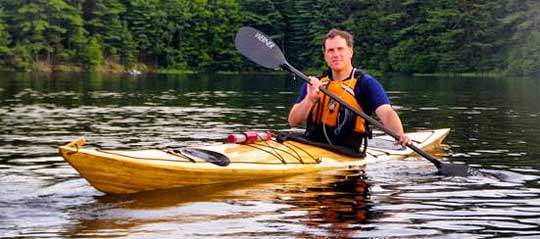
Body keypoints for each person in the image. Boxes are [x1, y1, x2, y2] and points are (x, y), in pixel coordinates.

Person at [288, 29, 410, 153]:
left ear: (350, 52)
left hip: (346, 151)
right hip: (311, 145)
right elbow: (293, 121)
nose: (336, 54)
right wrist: (310, 99)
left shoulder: (365, 83)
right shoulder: (314, 84)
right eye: (330, 50)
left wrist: (399, 134)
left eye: (340, 49)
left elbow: (386, 112)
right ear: (325, 55)